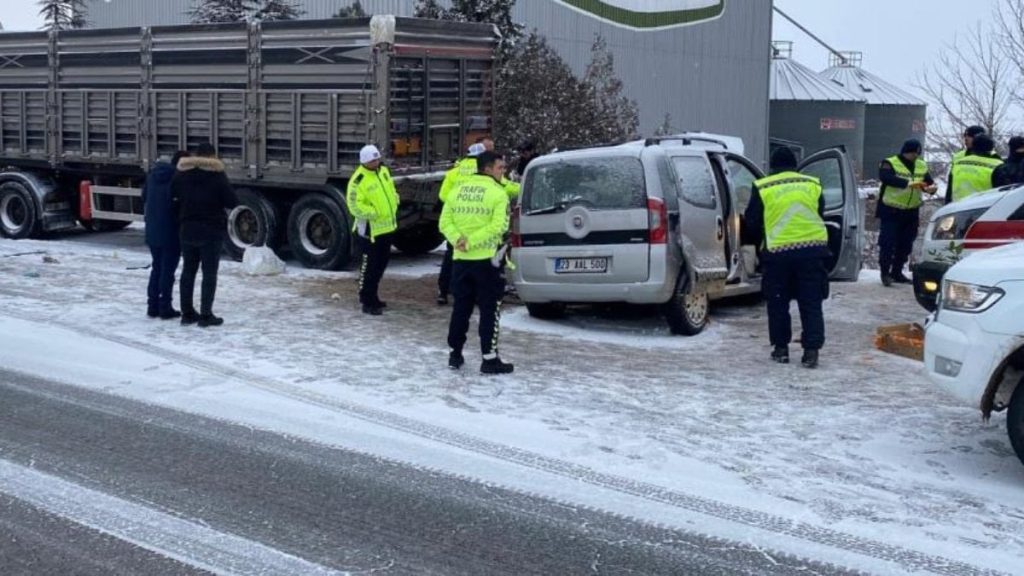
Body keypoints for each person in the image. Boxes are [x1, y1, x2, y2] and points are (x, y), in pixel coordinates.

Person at [743, 147, 829, 369]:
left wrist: (756, 241)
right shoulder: (812, 184)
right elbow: (820, 212)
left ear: (772, 166)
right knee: (811, 301)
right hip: (812, 251)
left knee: (778, 302)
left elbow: (751, 222)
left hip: (778, 253)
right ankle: (811, 352)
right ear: (795, 165)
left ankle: (781, 349)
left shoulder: (763, 187)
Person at [440, 151, 514, 375]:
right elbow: (498, 227)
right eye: (501, 168)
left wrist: (458, 241)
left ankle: (455, 354)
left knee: (460, 309)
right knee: (490, 310)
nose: (504, 172)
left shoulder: (458, 190)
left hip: (461, 262)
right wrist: (471, 242)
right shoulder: (497, 193)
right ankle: (489, 359)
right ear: (488, 169)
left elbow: (444, 222)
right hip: (487, 262)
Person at [172, 142, 238, 327]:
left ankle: (186, 313)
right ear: (212, 156)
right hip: (211, 230)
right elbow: (232, 201)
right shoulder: (217, 175)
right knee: (209, 274)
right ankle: (206, 315)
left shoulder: (181, 173)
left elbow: (172, 197)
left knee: (188, 271)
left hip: (187, 228)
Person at [876, 139, 937, 287]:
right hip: (891, 209)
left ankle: (897, 272)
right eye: (912, 153)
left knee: (906, 244)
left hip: (911, 211)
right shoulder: (890, 162)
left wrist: (931, 188)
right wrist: (909, 184)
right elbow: (886, 178)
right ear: (905, 152)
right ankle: (885, 273)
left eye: (917, 153)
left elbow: (928, 182)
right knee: (888, 243)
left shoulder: (921, 165)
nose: (915, 156)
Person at [347, 144, 399, 315]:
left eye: (377, 159)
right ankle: (367, 301)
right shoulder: (358, 180)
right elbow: (354, 205)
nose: (376, 162)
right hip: (370, 232)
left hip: (386, 228)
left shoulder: (383, 171)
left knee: (381, 265)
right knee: (369, 267)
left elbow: (390, 189)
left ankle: (374, 296)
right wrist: (373, 213)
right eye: (373, 160)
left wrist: (395, 200)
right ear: (365, 162)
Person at [143, 150, 189, 319]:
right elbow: (180, 205)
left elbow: (144, 197)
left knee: (156, 267)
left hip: (153, 230)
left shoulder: (152, 175)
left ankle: (152, 306)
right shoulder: (177, 180)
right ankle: (165, 307)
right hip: (170, 231)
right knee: (167, 271)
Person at [946, 134, 1003, 204]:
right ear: (991, 148)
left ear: (973, 146)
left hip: (957, 209)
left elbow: (949, 191)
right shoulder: (998, 165)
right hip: (982, 209)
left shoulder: (958, 163)